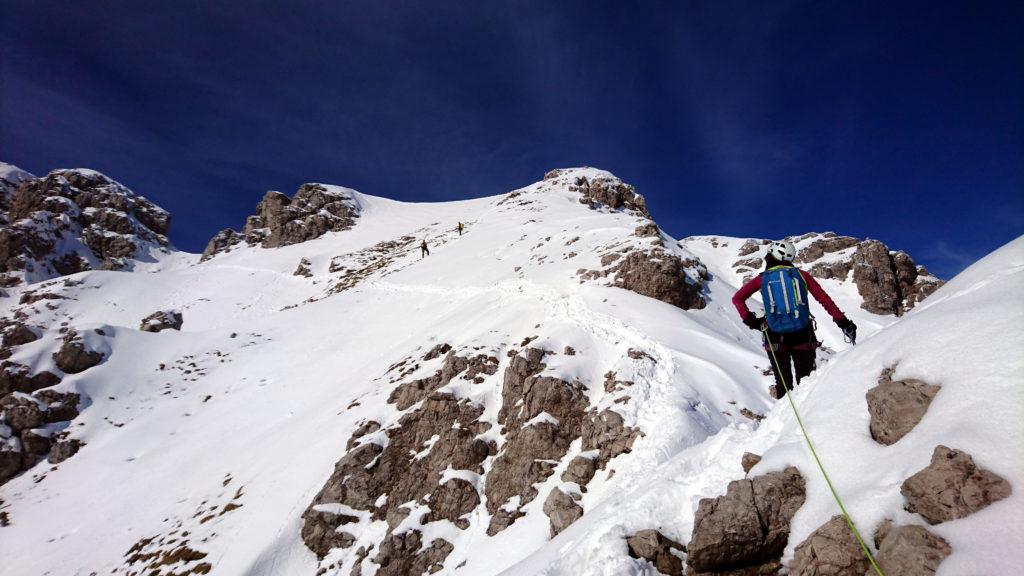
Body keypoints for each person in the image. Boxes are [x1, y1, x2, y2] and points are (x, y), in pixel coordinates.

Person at [732, 239, 857, 398]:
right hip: (803, 334)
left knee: (783, 385)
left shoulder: (762, 278)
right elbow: (824, 300)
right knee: (805, 385)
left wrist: (752, 321)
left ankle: (786, 420)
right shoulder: (801, 275)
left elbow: (737, 298)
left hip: (774, 336)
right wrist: (843, 322)